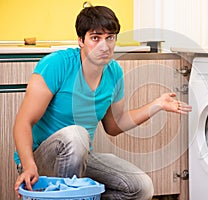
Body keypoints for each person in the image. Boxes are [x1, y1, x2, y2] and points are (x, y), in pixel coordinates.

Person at [13, 5, 192, 200]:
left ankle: (76, 196)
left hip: (80, 157)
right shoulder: (57, 64)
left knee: (141, 187)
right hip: (40, 160)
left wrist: (156, 105)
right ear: (81, 41)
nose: (104, 46)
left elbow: (114, 125)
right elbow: (23, 122)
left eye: (110, 38)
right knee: (77, 134)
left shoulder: (114, 73)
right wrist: (29, 165)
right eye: (95, 38)